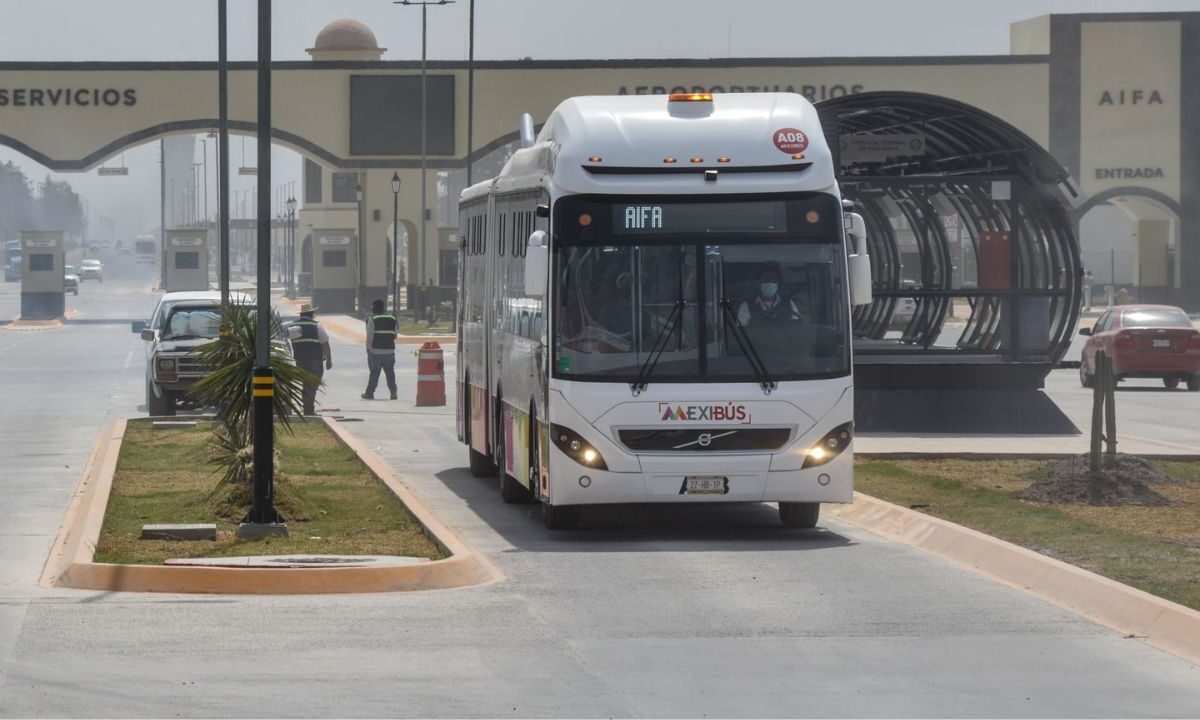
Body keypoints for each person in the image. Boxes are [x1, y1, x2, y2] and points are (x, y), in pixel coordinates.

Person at [288, 302, 332, 416]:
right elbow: (325, 344)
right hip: (315, 359)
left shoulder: (293, 325)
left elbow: (293, 343)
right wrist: (329, 359)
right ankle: (309, 409)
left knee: (306, 384)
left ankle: (308, 408)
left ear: (301, 314)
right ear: (311, 313)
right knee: (312, 384)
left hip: (300, 360)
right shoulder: (317, 325)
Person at [737, 266, 802, 327]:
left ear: (778, 283)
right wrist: (752, 326)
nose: (770, 282)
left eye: (774, 280)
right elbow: (741, 331)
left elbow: (797, 327)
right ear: (758, 283)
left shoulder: (789, 304)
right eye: (766, 279)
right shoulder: (746, 306)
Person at [362, 299, 398, 400]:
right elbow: (395, 335)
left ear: (373, 308)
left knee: (374, 373)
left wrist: (368, 349)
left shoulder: (372, 319)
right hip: (390, 351)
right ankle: (393, 392)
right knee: (390, 373)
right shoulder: (392, 318)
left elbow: (370, 336)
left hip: (375, 352)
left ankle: (369, 393)